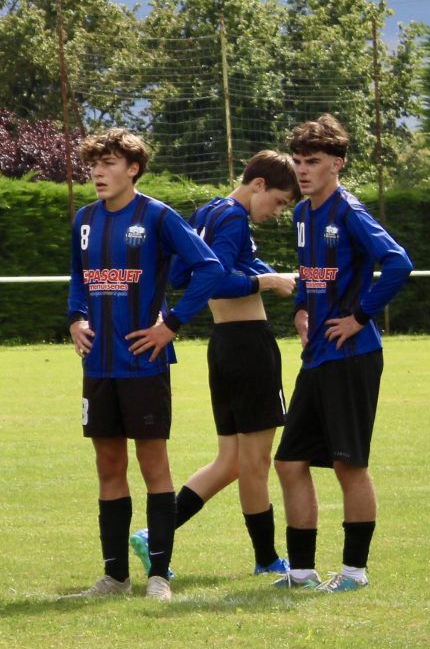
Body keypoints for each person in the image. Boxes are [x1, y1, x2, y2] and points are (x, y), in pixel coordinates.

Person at [66, 129, 225, 600]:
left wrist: (171, 325)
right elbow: (78, 276)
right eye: (94, 164)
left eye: (109, 163)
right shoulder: (84, 219)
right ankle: (115, 577)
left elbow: (209, 267)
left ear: (133, 169)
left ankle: (159, 576)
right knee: (108, 465)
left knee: (153, 464)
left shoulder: (157, 216)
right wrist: (76, 318)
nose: (98, 172)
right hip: (98, 364)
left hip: (144, 361)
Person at [276, 115, 412, 591]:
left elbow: (398, 263)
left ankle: (355, 572)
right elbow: (308, 272)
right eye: (297, 161)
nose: (302, 170)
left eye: (312, 161)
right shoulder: (302, 215)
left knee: (348, 463)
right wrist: (300, 308)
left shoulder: (350, 212)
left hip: (352, 355)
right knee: (289, 462)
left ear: (337, 163)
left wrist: (359, 315)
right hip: (317, 356)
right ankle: (301, 572)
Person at [151, 151, 302, 577]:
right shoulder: (234, 219)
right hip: (249, 347)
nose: (277, 213)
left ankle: (154, 534)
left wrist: (268, 274)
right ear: (258, 184)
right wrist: (266, 281)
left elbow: (182, 274)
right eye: (279, 202)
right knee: (255, 463)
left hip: (222, 348)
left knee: (232, 461)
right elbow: (216, 278)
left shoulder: (208, 212)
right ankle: (267, 560)